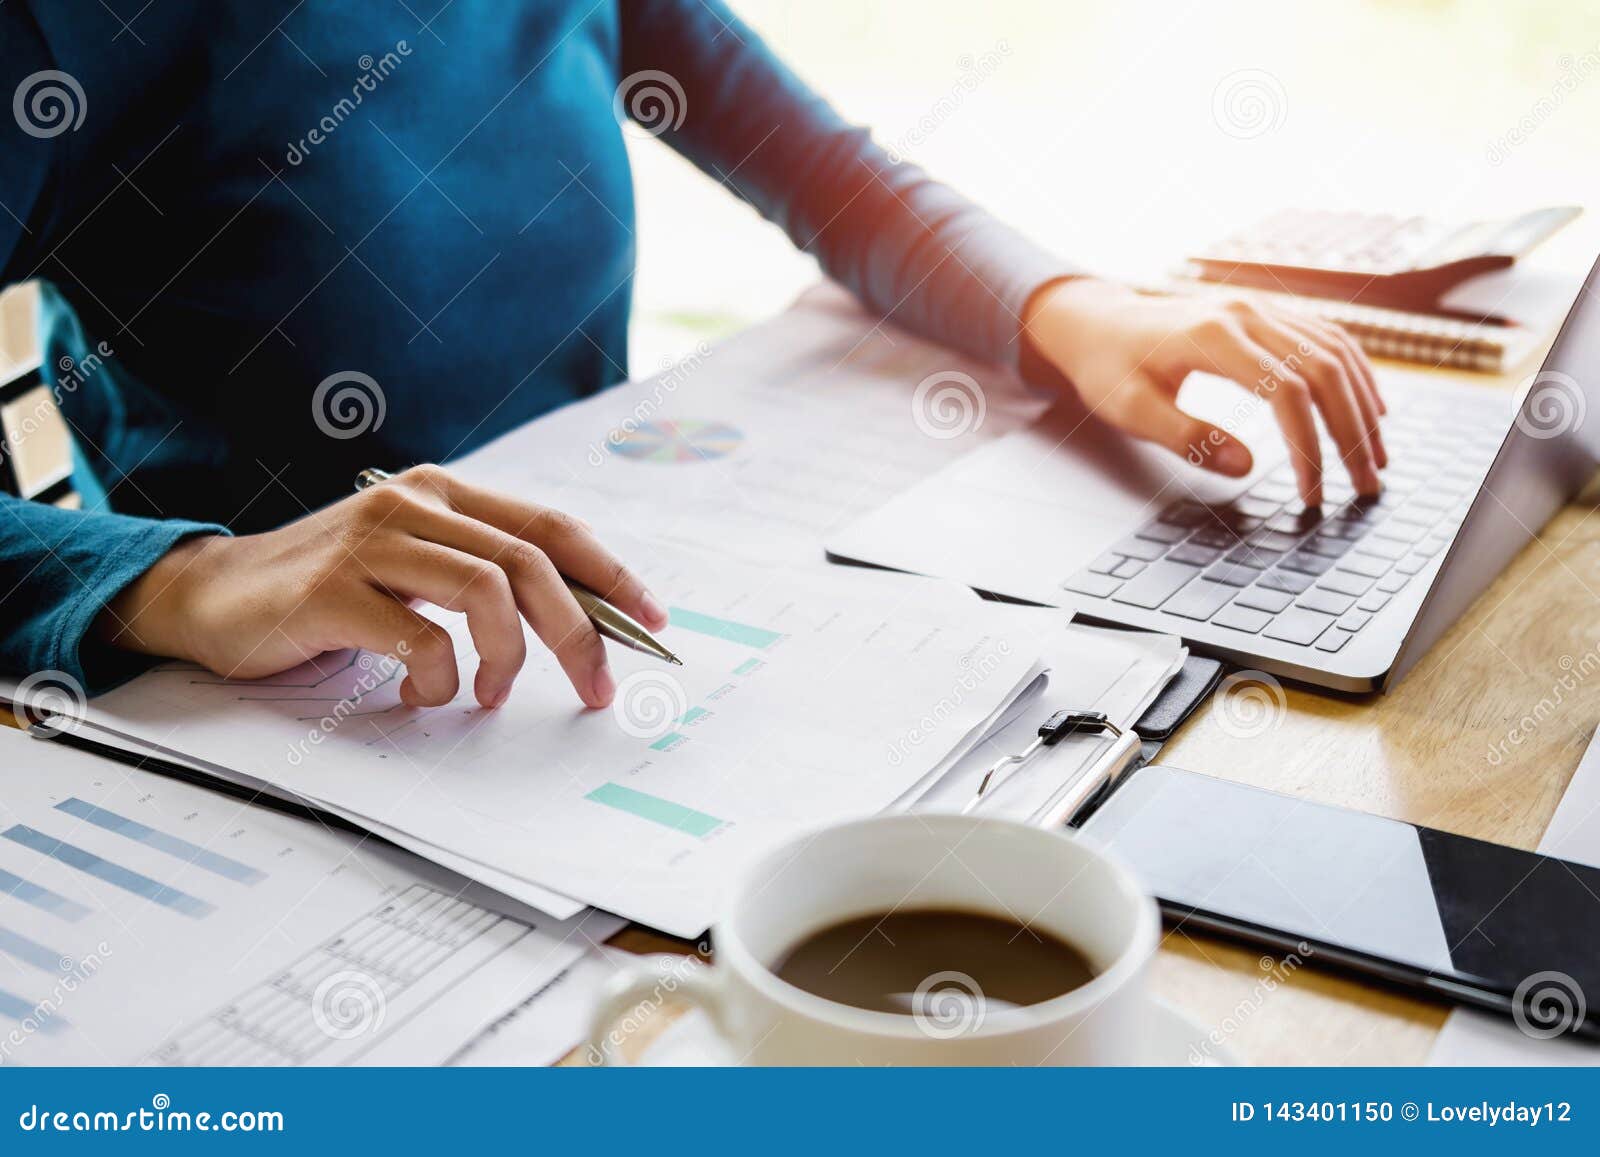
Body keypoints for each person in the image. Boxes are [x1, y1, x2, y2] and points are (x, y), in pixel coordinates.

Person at [0, 1, 1384, 711]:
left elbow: (818, 167)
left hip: (584, 656)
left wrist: (1075, 312)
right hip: (273, 735)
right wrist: (189, 581)